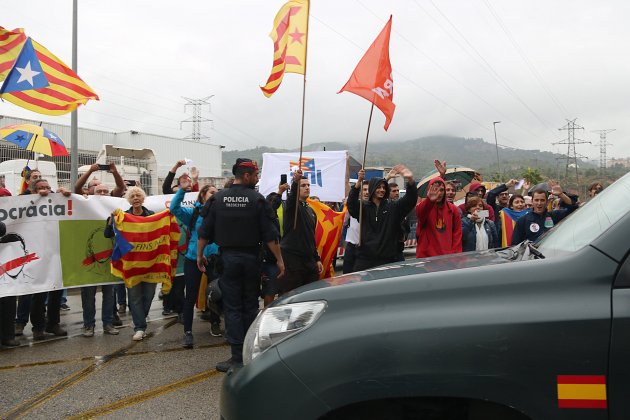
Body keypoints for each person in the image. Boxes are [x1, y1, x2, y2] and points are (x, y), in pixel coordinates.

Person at [197, 158, 284, 372]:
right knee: (250, 307)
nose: (257, 178)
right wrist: (280, 260)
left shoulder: (217, 199)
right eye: (255, 175)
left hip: (228, 259)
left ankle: (237, 358)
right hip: (251, 259)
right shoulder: (258, 200)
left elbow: (204, 233)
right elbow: (270, 236)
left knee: (233, 307)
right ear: (246, 176)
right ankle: (250, 354)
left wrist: (200, 256)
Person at [170, 180, 219, 348]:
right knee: (190, 295)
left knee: (216, 293)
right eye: (212, 192)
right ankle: (188, 332)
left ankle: (215, 323)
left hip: (214, 259)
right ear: (203, 196)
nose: (215, 194)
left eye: (217, 192)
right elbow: (174, 209)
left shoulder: (222, 214)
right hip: (193, 259)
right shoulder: (194, 213)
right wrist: (182, 191)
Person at [105, 186, 156, 341]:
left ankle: (140, 317)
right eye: (132, 196)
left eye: (138, 195)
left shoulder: (152, 215)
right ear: (128, 199)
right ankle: (140, 327)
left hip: (149, 264)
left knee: (149, 295)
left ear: (142, 198)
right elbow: (108, 235)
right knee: (134, 297)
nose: (135, 198)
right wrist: (110, 221)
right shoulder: (123, 216)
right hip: (131, 264)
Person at [347, 165, 417, 271]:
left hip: (388, 260)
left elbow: (409, 201)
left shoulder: (393, 207)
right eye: (378, 187)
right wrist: (358, 183)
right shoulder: (363, 207)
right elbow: (351, 204)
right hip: (365, 260)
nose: (382, 190)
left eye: (384, 187)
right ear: (372, 189)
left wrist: (411, 181)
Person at [279, 170, 323, 294]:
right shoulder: (291, 206)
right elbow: (292, 198)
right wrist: (295, 182)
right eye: (303, 185)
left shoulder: (311, 211)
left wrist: (317, 259)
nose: (307, 188)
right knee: (291, 296)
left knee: (310, 295)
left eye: (308, 185)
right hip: (292, 260)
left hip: (309, 261)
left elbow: (310, 238)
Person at [511, 183, 578, 244]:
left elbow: (573, 208)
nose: (539, 203)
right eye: (536, 200)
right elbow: (515, 245)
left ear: (547, 202)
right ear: (532, 201)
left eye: (542, 200)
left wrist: (561, 195)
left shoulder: (554, 216)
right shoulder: (522, 221)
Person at [415, 177, 462, 258]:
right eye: (435, 189)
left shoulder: (453, 209)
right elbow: (421, 212)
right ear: (428, 191)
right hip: (426, 259)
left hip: (447, 259)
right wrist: (429, 200)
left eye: (441, 190)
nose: (438, 193)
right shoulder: (423, 207)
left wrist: (456, 257)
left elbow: (457, 234)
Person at [262, 181, 289, 306]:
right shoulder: (266, 215)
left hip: (279, 258)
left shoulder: (275, 216)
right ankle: (266, 314)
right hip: (269, 261)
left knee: (282, 290)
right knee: (270, 291)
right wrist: (279, 192)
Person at [342, 181, 368, 274]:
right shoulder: (353, 206)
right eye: (364, 189)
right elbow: (343, 222)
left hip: (366, 248)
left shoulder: (373, 207)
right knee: (347, 276)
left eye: (368, 190)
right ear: (360, 192)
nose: (366, 192)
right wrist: (347, 205)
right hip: (352, 247)